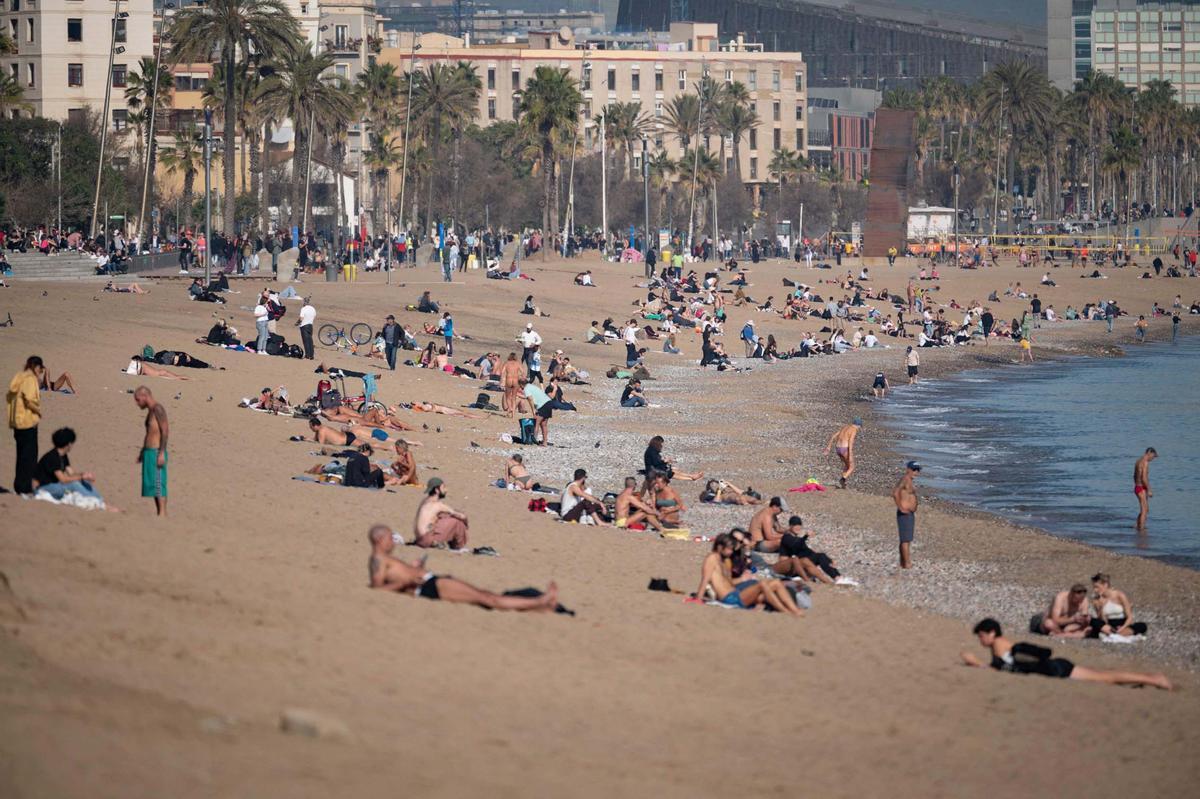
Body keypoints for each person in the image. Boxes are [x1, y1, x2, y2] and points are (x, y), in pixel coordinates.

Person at [368, 525, 557, 611]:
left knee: (485, 596)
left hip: (429, 582)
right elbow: (377, 588)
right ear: (379, 540)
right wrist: (406, 581)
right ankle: (539, 602)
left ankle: (538, 605)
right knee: (487, 598)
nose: (393, 542)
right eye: (389, 538)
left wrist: (413, 568)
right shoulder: (378, 559)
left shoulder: (384, 558)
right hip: (427, 586)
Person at [960, 618, 1171, 689]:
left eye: (981, 635)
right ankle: (1151, 679)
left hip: (1057, 669)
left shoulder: (1000, 644)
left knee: (1106, 677)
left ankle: (1154, 679)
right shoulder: (1001, 645)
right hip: (1056, 667)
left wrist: (976, 664)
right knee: (1106, 676)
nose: (980, 640)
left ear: (991, 632)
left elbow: (1004, 667)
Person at [689, 533, 804, 616]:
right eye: (729, 549)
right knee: (763, 585)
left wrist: (743, 578)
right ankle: (786, 611)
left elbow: (729, 582)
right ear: (719, 547)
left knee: (775, 583)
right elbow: (705, 579)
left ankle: (794, 609)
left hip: (736, 593)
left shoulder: (724, 561)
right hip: (729, 598)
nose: (731, 552)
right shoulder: (711, 559)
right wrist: (698, 598)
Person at [7, 356, 44, 494]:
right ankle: (25, 487)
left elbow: (10, 395)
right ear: (36, 367)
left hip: (17, 422)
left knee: (21, 455)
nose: (40, 373)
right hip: (28, 422)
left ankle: (19, 484)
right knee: (29, 457)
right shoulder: (29, 379)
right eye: (40, 370)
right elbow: (29, 399)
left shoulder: (19, 377)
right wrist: (38, 411)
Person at [133, 386, 169, 516]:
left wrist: (161, 453)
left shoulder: (157, 409)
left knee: (159, 484)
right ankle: (159, 512)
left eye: (138, 400)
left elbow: (165, 431)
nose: (137, 403)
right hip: (149, 452)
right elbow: (150, 432)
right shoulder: (150, 411)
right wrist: (142, 452)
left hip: (156, 451)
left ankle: (163, 513)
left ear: (145, 396)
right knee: (153, 486)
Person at [412, 477, 470, 549]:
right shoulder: (437, 505)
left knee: (444, 517)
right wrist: (466, 523)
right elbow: (462, 516)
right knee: (458, 523)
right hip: (427, 539)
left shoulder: (424, 501)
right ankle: (459, 547)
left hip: (418, 539)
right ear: (437, 490)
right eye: (443, 487)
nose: (446, 490)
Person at [1089, 573, 1148, 638]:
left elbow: (1130, 617)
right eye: (1094, 587)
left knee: (1142, 625)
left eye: (1097, 587)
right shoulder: (1097, 600)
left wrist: (1122, 628)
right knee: (1092, 620)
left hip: (1122, 624)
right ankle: (1114, 634)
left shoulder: (1119, 595)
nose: (1095, 590)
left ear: (1105, 585)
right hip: (1108, 625)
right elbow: (1102, 621)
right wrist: (1101, 607)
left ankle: (1115, 634)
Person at [892, 461, 919, 569]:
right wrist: (901, 507)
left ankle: (903, 562)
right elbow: (895, 492)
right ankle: (907, 563)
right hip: (905, 514)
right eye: (914, 469)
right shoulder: (905, 479)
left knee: (906, 539)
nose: (916, 472)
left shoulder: (909, 480)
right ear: (908, 469)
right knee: (905, 539)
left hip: (909, 514)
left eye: (917, 470)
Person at [824, 419, 863, 489]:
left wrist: (829, 447)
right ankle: (842, 479)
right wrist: (850, 454)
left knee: (846, 466)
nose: (859, 429)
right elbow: (850, 442)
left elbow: (833, 436)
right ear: (858, 425)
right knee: (852, 467)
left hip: (838, 448)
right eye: (859, 427)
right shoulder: (854, 430)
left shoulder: (845, 427)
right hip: (844, 449)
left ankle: (842, 485)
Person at [520, 377, 553, 446]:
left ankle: (533, 441)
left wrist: (533, 411)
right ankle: (545, 442)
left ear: (521, 384)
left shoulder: (526, 389)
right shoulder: (531, 386)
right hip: (549, 403)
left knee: (536, 423)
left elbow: (530, 399)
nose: (520, 387)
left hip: (542, 405)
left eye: (520, 385)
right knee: (544, 425)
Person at [1134, 447, 1156, 531]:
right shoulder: (1145, 462)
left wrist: (1137, 484)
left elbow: (1134, 476)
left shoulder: (1138, 461)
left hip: (1138, 487)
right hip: (1141, 488)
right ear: (1149, 453)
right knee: (1144, 510)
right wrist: (1149, 489)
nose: (1153, 459)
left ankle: (1137, 525)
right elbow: (1144, 478)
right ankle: (1141, 529)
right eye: (1153, 456)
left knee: (1145, 509)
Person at [498, 353, 523, 417]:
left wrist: (501, 381)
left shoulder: (506, 363)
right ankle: (513, 414)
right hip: (515, 380)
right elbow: (523, 372)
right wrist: (520, 378)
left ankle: (510, 408)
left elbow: (502, 372)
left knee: (508, 396)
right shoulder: (518, 363)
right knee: (514, 398)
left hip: (509, 379)